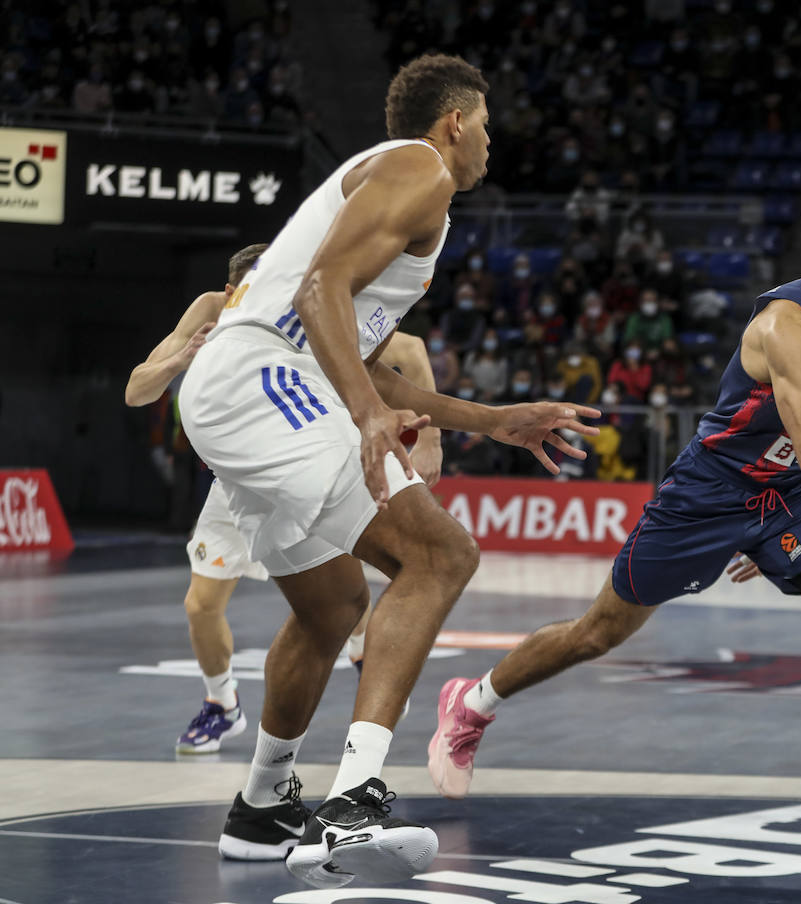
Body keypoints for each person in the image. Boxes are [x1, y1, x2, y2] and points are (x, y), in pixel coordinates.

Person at [430, 193, 801, 846]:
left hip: (785, 501)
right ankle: (473, 701)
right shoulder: (784, 328)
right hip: (707, 499)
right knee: (597, 633)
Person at [177, 54, 598, 888]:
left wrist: (491, 421)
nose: (490, 141)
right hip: (265, 377)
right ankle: (354, 802)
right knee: (440, 555)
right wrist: (368, 418)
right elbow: (321, 292)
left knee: (333, 605)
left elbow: (366, 358)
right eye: (484, 123)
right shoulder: (422, 166)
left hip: (244, 388)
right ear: (453, 122)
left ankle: (263, 807)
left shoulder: (402, 192)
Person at [125, 244, 443, 757]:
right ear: (233, 294)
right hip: (239, 479)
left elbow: (410, 353)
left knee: (340, 591)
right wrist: (181, 360)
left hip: (306, 465)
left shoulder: (310, 309)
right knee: (200, 606)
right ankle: (221, 705)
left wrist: (431, 440)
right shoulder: (210, 310)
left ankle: (364, 657)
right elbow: (136, 390)